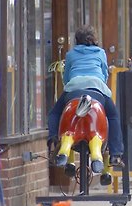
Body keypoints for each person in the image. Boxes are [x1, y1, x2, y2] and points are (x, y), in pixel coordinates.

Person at [48, 25, 124, 173]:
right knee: (114, 116)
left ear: (77, 40)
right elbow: (104, 74)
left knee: (55, 113)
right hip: (96, 90)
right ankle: (115, 154)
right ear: (94, 39)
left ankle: (54, 142)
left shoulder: (70, 54)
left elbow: (67, 76)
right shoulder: (101, 53)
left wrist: (70, 85)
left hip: (74, 90)